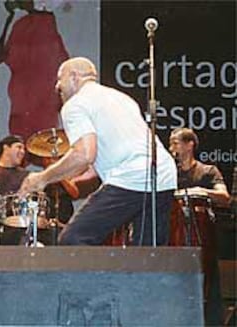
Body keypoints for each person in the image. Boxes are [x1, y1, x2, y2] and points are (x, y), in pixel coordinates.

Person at [19, 57, 177, 246]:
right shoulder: (120, 97)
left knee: (73, 240)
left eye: (60, 79)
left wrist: (42, 178)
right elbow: (98, 160)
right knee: (147, 253)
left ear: (74, 77)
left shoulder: (75, 104)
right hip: (164, 174)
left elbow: (84, 155)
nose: (57, 86)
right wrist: (67, 178)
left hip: (132, 176)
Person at [169, 127, 230, 326]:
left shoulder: (208, 171)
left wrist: (200, 191)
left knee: (207, 281)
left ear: (190, 145)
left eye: (176, 143)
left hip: (203, 238)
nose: (172, 148)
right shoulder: (170, 173)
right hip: (173, 238)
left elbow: (224, 197)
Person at [0, 0, 69, 142]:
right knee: (24, 138)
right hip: (23, 96)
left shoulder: (46, 25)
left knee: (44, 140)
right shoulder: (21, 25)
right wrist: (9, 19)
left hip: (43, 96)